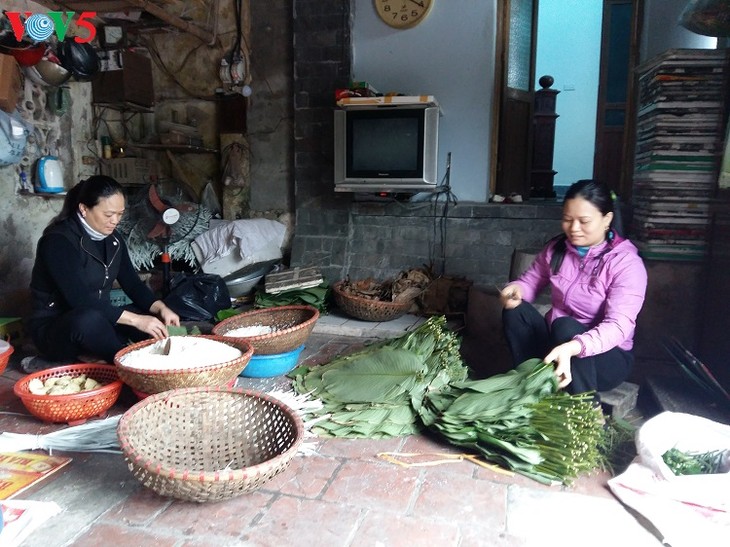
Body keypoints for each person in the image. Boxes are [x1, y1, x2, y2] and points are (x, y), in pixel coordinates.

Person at [499, 179, 647, 398]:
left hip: (605, 359)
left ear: (607, 219)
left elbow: (618, 326)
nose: (573, 228)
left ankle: (587, 407)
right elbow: (530, 282)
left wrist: (575, 346)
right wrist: (515, 290)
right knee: (516, 311)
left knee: (565, 326)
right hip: (560, 347)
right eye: (567, 220)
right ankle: (532, 383)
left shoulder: (626, 264)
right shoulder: (557, 249)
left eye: (583, 221)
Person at [28, 175, 180, 367]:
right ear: (84, 209)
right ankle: (127, 363)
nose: (115, 221)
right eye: (108, 215)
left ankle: (107, 351)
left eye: (120, 214)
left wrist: (161, 308)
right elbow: (80, 300)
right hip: (58, 328)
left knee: (151, 320)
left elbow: (132, 284)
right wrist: (136, 321)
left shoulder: (113, 239)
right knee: (89, 320)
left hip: (100, 319)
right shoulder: (58, 241)